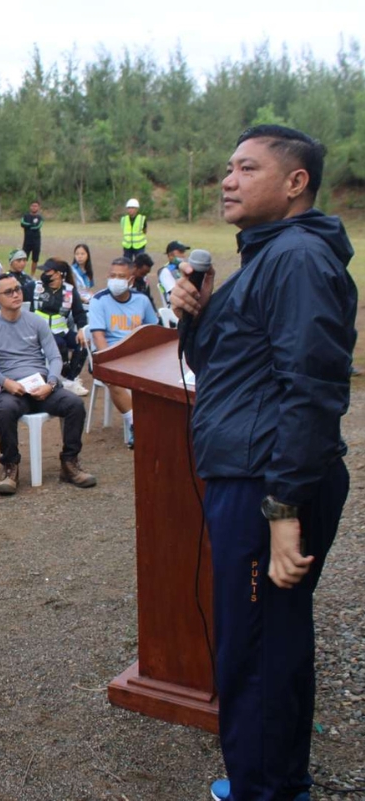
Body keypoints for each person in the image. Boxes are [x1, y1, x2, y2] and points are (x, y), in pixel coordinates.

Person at [170, 125, 356, 801]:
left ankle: (264, 791)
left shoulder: (299, 259)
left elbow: (311, 392)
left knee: (254, 652)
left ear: (295, 181)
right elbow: (226, 370)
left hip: (268, 484)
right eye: (228, 165)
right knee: (270, 640)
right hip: (256, 479)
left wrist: (281, 510)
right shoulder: (268, 258)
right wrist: (196, 316)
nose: (228, 179)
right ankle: (276, 781)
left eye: (247, 168)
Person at [0, 273, 96, 495]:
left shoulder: (36, 321)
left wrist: (51, 382)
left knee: (74, 404)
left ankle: (69, 463)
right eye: (8, 291)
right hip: (13, 390)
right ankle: (10, 467)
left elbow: (55, 357)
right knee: (6, 410)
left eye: (17, 289)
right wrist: (4, 382)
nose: (16, 294)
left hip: (43, 387)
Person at [87, 257, 157, 447]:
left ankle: (153, 423)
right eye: (113, 276)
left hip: (136, 356)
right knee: (114, 378)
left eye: (121, 276)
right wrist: (111, 360)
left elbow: (153, 330)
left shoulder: (142, 300)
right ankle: (138, 425)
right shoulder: (99, 300)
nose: (116, 280)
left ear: (131, 280)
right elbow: (98, 337)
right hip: (108, 355)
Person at [32, 259, 89, 396]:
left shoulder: (69, 291)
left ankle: (70, 379)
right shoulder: (36, 287)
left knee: (82, 344)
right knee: (60, 344)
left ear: (58, 274)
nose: (44, 273)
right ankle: (64, 379)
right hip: (40, 332)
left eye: (48, 271)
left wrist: (81, 330)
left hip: (61, 331)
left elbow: (79, 314)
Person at [157, 240, 189, 307]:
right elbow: (175, 293)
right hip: (174, 309)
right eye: (181, 252)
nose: (184, 255)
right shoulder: (165, 271)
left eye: (183, 252)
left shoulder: (182, 270)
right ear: (170, 256)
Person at [20, 201, 44, 269]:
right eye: (32, 206)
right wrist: (31, 225)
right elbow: (22, 223)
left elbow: (37, 227)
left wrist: (28, 226)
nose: (34, 207)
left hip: (36, 241)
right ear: (30, 207)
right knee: (23, 257)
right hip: (27, 240)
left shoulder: (40, 217)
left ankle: (32, 275)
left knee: (35, 259)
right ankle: (21, 272)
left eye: (36, 206)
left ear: (38, 207)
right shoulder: (25, 216)